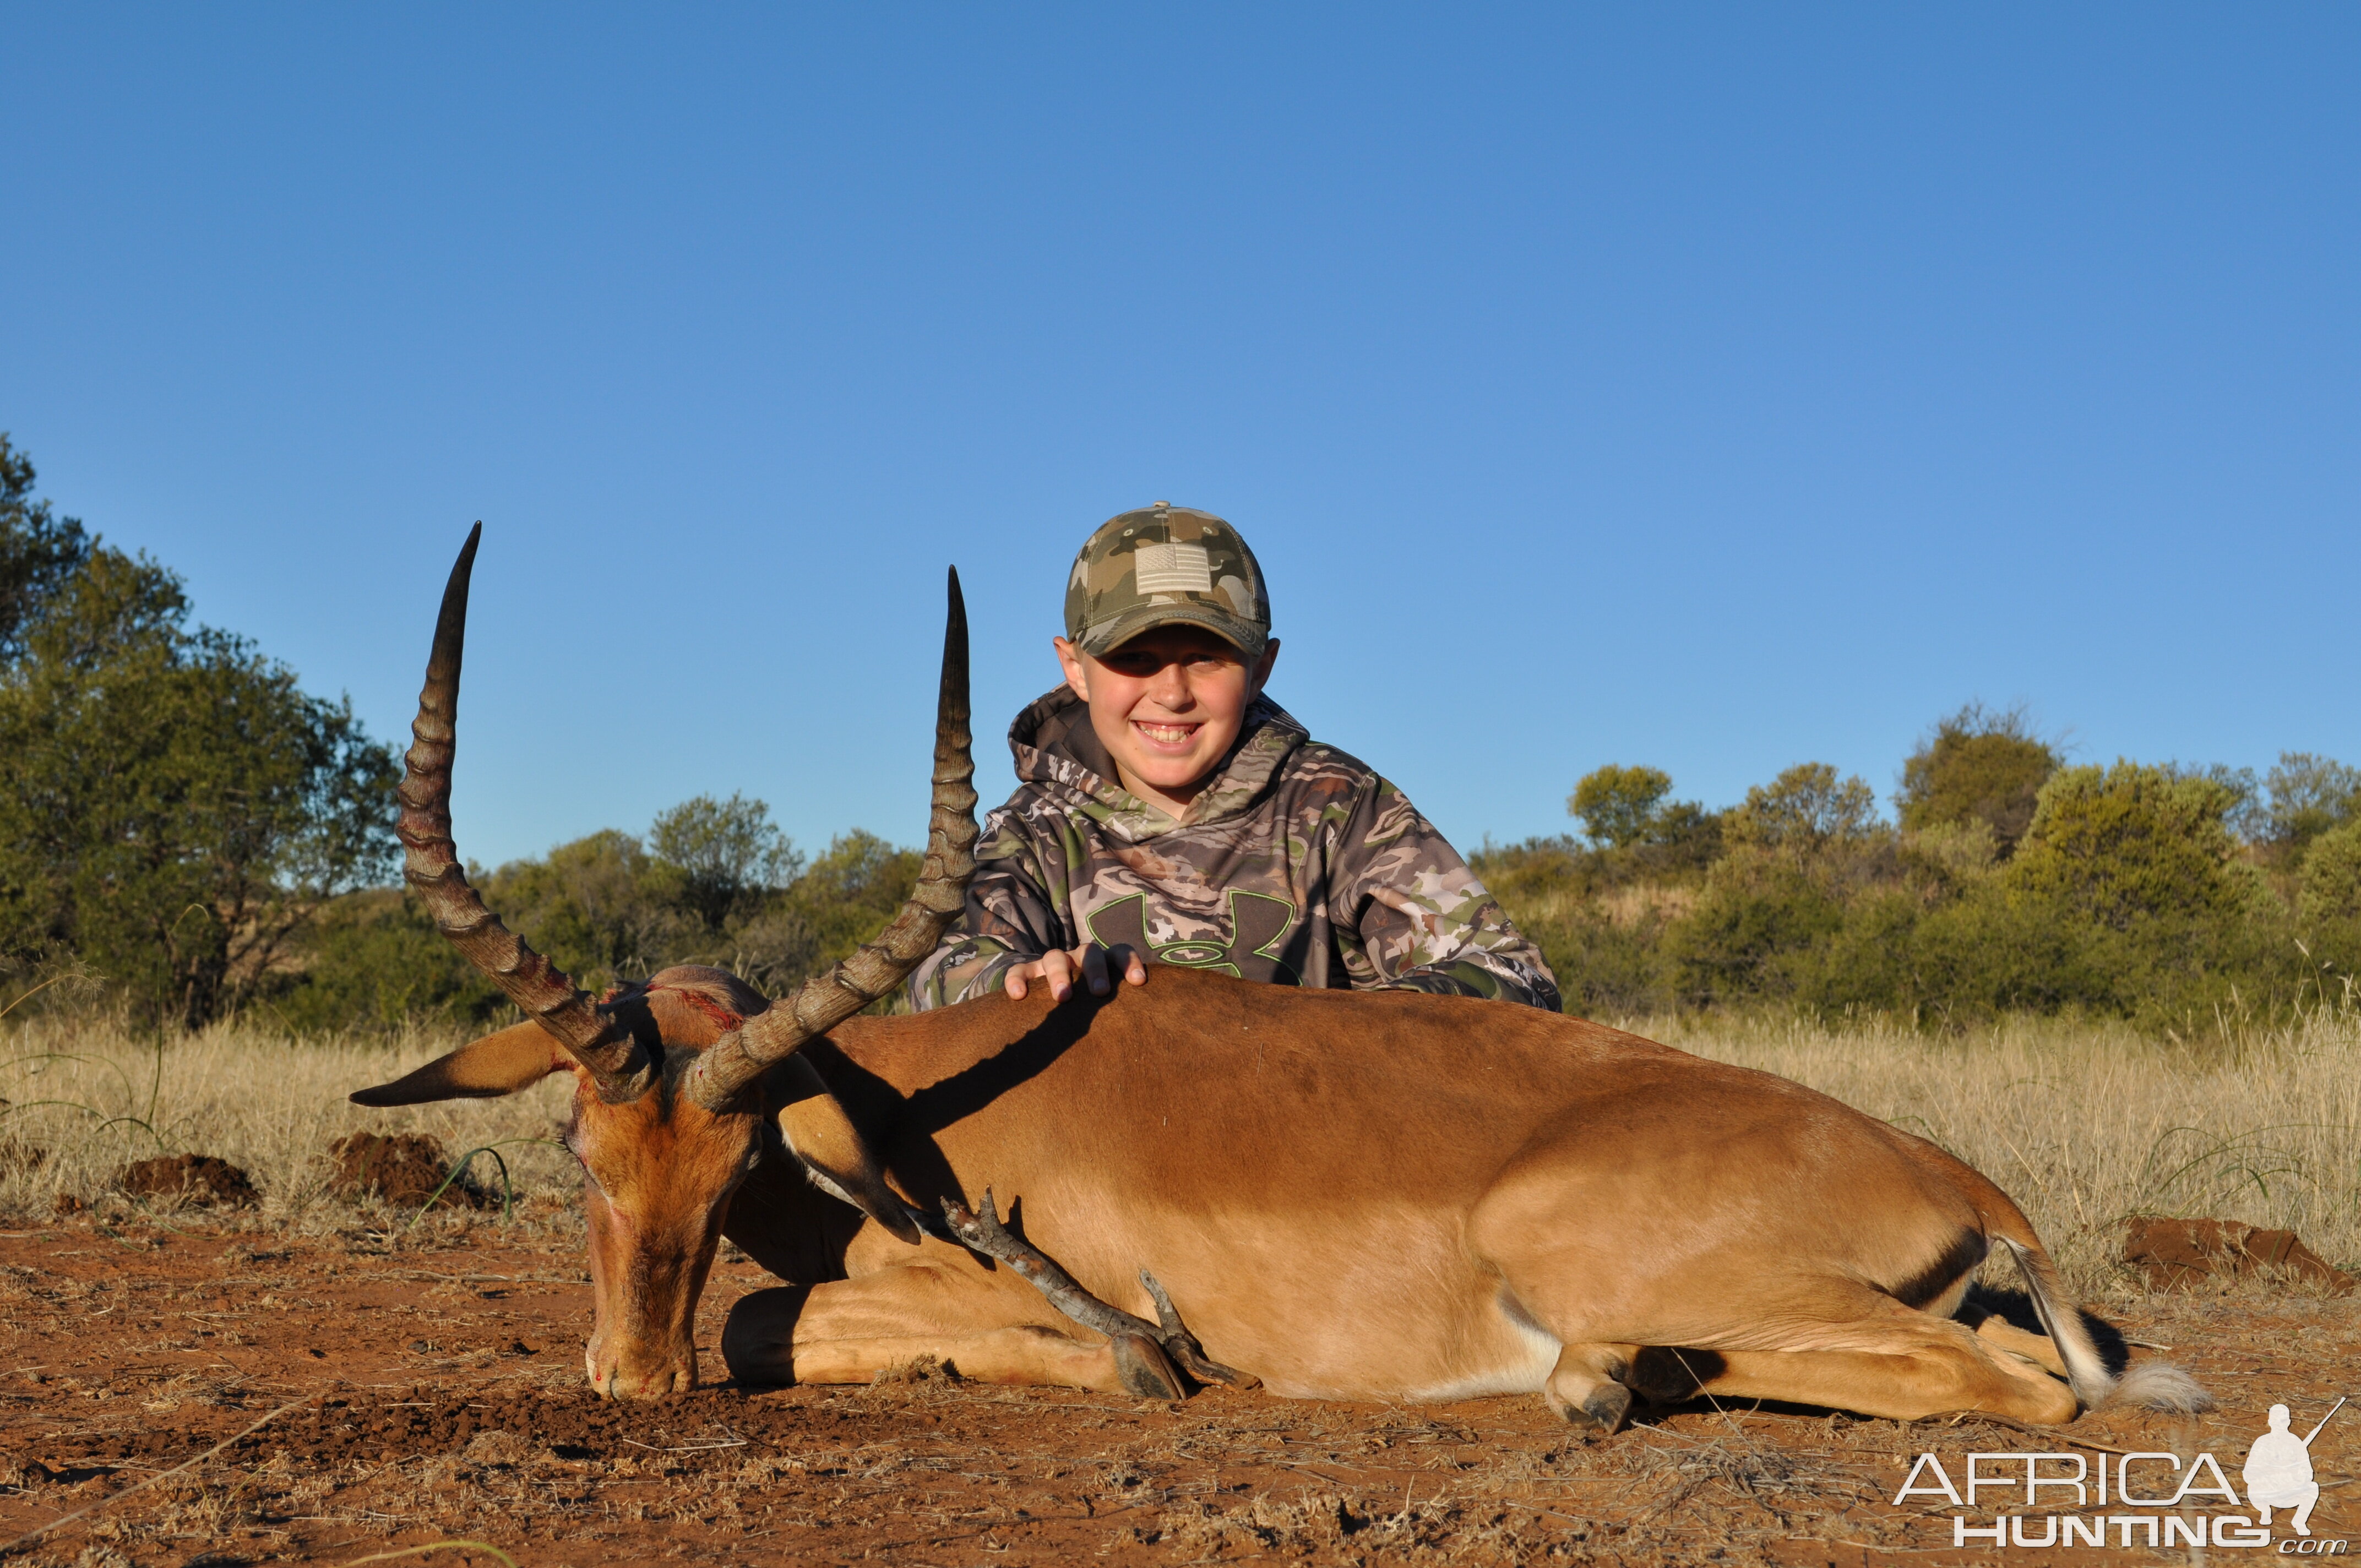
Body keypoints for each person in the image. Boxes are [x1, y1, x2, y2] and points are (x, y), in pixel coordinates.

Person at [909, 502, 1560, 1012]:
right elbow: (938, 974)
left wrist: (1352, 1032)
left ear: (1261, 668)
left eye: (1205, 657)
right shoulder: (1034, 831)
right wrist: (1007, 981)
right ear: (1074, 668)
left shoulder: (1338, 803)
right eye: (1133, 658)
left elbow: (1513, 974)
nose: (1170, 693)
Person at [2244, 1402, 2323, 1536]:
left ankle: (2299, 1522)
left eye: (2283, 1420)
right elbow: (2249, 1473)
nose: (2279, 1424)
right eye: (2275, 1420)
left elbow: (2308, 1471)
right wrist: (2269, 1473)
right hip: (2268, 1490)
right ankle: (2265, 1511)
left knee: (2313, 1487)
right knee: (2252, 1487)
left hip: (2290, 1491)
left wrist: (2293, 1477)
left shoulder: (2295, 1442)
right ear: (2270, 1422)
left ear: (2288, 1422)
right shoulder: (2262, 1442)